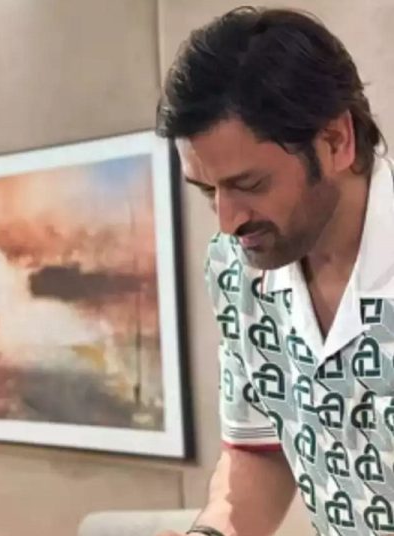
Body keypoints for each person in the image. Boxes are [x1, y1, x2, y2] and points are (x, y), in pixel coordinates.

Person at [156, 7, 392, 536]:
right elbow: (259, 451)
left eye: (250, 185)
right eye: (207, 191)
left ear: (336, 140)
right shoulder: (235, 269)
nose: (227, 220)